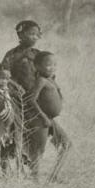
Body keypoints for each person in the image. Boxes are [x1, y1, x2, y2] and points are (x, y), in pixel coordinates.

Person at [1, 20, 42, 168]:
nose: (34, 37)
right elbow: (4, 75)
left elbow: (45, 76)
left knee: (36, 132)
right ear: (20, 34)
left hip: (35, 99)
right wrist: (15, 85)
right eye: (31, 34)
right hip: (16, 98)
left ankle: (33, 165)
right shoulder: (11, 55)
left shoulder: (38, 55)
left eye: (37, 35)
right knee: (15, 127)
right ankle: (11, 159)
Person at [29, 51, 72, 181]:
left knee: (66, 144)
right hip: (40, 119)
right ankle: (34, 179)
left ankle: (54, 176)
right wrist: (42, 117)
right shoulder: (41, 80)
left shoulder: (50, 80)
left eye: (55, 65)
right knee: (38, 151)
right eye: (48, 65)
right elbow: (31, 100)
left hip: (49, 119)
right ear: (37, 66)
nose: (52, 67)